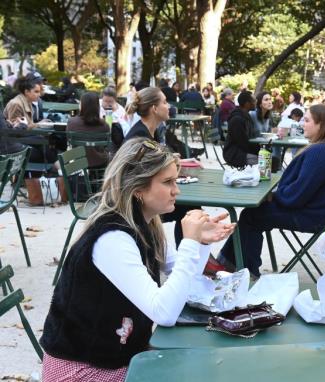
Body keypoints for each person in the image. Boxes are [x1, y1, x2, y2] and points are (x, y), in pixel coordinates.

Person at [40, 138, 234, 382]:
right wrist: (190, 244)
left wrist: (201, 244)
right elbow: (164, 312)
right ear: (138, 189)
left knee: (203, 366)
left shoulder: (144, 224)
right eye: (168, 182)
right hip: (81, 372)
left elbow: (186, 280)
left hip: (116, 357)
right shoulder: (113, 238)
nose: (177, 190)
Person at [218, 104, 325, 278]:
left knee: (252, 216)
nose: (302, 124)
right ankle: (229, 263)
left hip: (310, 216)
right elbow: (300, 192)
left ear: (321, 124)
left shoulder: (321, 152)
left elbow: (295, 196)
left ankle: (245, 270)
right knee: (253, 212)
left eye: (307, 120)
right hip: (320, 212)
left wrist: (274, 196)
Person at [66, 92, 111, 168]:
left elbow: (68, 140)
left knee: (56, 165)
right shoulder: (105, 125)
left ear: (82, 105)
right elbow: (105, 146)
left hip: (76, 161)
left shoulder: (71, 122)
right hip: (99, 162)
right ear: (97, 106)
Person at [223, 91, 259, 167]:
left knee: (270, 158)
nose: (256, 102)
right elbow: (242, 143)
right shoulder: (237, 119)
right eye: (254, 100)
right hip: (234, 154)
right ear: (247, 104)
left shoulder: (246, 116)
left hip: (243, 151)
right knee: (266, 160)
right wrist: (258, 152)